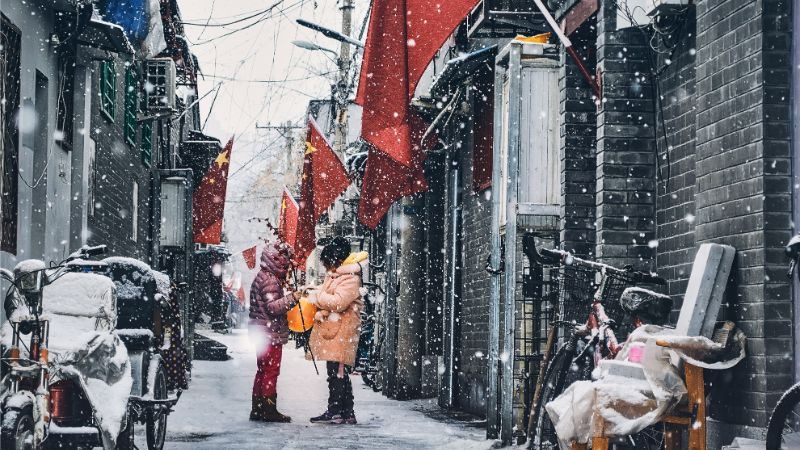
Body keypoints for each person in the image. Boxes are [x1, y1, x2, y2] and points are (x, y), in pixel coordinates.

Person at [306, 237, 364, 425]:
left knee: (337, 372)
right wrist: (322, 307)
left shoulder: (349, 278)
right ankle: (346, 411)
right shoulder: (337, 276)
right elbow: (331, 301)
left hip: (343, 331)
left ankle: (336, 410)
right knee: (338, 372)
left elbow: (338, 302)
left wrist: (317, 296)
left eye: (328, 263)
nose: (326, 268)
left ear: (336, 259)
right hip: (336, 329)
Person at [249, 242, 301, 422]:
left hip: (261, 333)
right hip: (269, 334)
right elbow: (272, 307)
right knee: (270, 371)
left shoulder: (262, 276)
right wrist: (292, 298)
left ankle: (258, 408)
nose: (287, 265)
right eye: (285, 261)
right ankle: (268, 409)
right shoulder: (270, 280)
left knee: (262, 370)